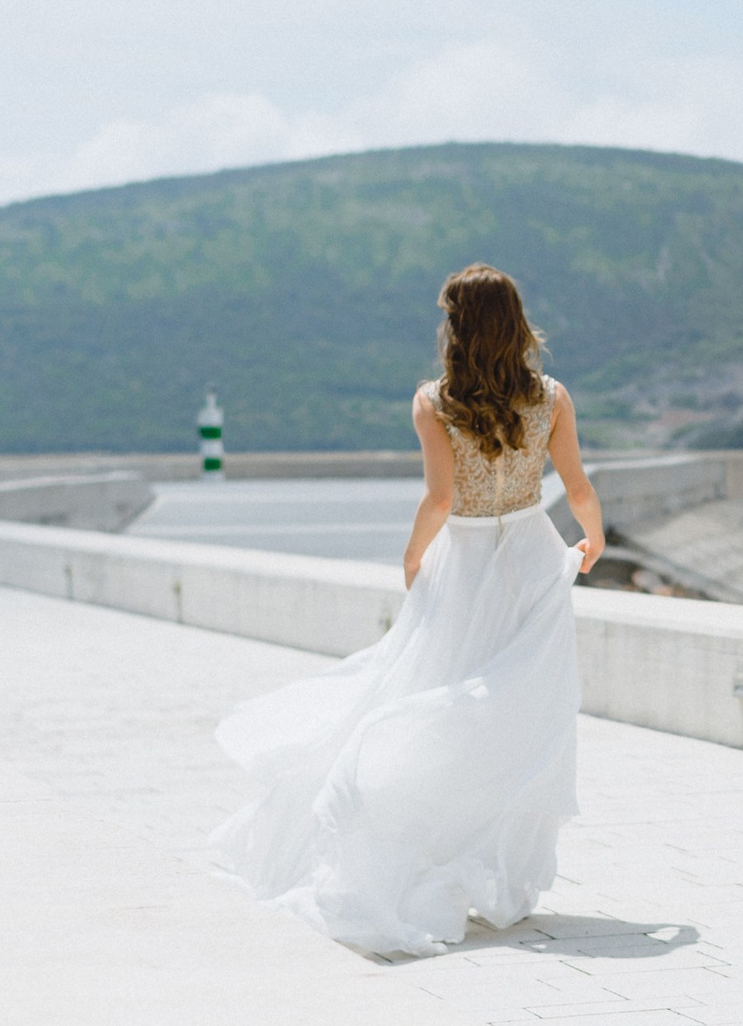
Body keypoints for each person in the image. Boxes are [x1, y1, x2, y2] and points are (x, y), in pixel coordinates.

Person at [211, 264, 606, 956]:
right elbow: (575, 485)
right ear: (516, 323)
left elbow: (440, 499)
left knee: (434, 694)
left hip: (468, 564)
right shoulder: (552, 397)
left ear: (457, 327)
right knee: (518, 711)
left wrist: (411, 558)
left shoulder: (435, 402)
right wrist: (593, 538)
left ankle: (425, 842)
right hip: (537, 560)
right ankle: (490, 858)